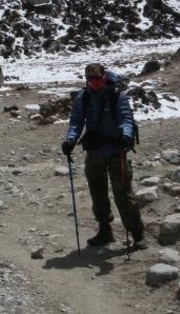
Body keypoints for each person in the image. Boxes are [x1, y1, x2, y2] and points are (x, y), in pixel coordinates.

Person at [61, 63, 146, 248]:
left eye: (98, 79)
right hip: (95, 152)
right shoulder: (83, 97)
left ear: (104, 77)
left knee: (123, 195)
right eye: (91, 79)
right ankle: (104, 230)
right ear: (86, 79)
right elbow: (76, 122)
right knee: (97, 193)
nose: (95, 82)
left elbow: (125, 118)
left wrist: (125, 136)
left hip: (117, 151)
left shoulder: (117, 96)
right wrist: (70, 141)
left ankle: (137, 234)